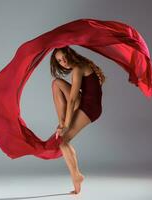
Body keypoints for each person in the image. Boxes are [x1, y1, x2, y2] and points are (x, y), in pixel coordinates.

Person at [50, 46, 106, 194]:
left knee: (62, 140)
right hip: (85, 102)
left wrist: (67, 125)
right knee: (56, 83)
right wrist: (64, 123)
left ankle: (77, 176)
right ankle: (77, 183)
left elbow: (73, 98)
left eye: (64, 57)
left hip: (90, 108)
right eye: (60, 61)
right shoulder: (79, 67)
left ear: (71, 54)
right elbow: (74, 98)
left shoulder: (78, 68)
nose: (64, 62)